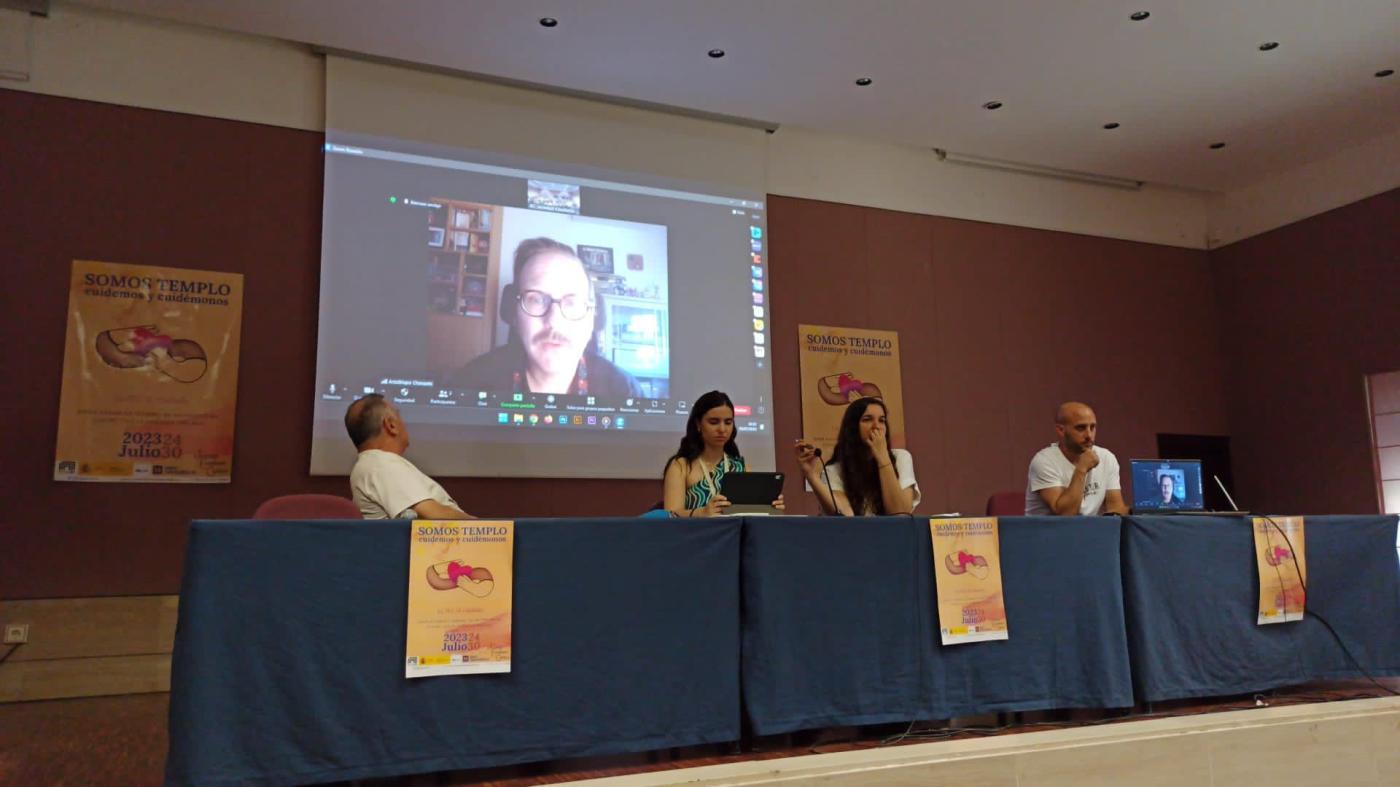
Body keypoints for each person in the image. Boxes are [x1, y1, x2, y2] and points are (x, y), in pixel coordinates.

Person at [447, 237, 641, 397]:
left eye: (572, 302)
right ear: (514, 313)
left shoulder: (625, 391)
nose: (554, 321)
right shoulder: (469, 384)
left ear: (592, 318)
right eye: (536, 300)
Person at [345, 393, 474, 520]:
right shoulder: (381, 465)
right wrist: (488, 529)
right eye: (399, 416)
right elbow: (433, 514)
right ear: (391, 425)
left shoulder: (374, 464)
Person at [662, 390, 783, 517]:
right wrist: (701, 513)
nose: (722, 429)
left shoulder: (741, 467)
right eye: (714, 422)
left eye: (728, 422)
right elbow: (669, 516)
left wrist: (771, 509)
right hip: (694, 535)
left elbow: (751, 517)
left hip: (733, 535)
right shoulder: (681, 466)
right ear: (698, 424)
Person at [794, 396, 920, 516]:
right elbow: (846, 514)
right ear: (853, 428)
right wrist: (811, 476)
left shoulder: (901, 457)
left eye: (882, 420)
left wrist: (883, 458)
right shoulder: (835, 470)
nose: (876, 426)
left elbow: (900, 513)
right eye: (867, 419)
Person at [1024, 401, 1128, 516]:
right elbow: (1066, 514)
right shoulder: (1044, 461)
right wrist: (1081, 468)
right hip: (1047, 532)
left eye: (1092, 427)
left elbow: (1115, 509)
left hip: (1087, 531)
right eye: (1081, 428)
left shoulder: (1106, 457)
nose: (1089, 435)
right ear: (1061, 430)